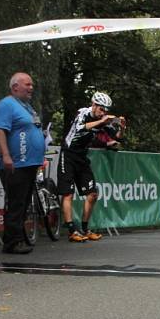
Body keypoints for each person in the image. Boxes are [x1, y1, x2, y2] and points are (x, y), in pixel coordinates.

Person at [59, 91, 126, 242]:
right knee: (68, 194)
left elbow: (116, 138)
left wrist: (121, 127)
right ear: (94, 105)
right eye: (101, 109)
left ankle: (84, 228)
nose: (104, 113)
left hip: (82, 157)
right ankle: (71, 230)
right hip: (68, 154)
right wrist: (102, 122)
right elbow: (81, 128)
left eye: (106, 110)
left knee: (92, 194)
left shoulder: (102, 120)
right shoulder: (83, 113)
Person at [0, 72, 46, 255]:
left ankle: (18, 238)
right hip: (16, 163)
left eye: (32, 85)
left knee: (23, 203)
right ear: (15, 86)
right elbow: (0, 130)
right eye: (27, 85)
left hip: (29, 163)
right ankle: (11, 242)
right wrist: (6, 155)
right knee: (16, 203)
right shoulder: (6, 105)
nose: (31, 88)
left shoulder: (27, 107)